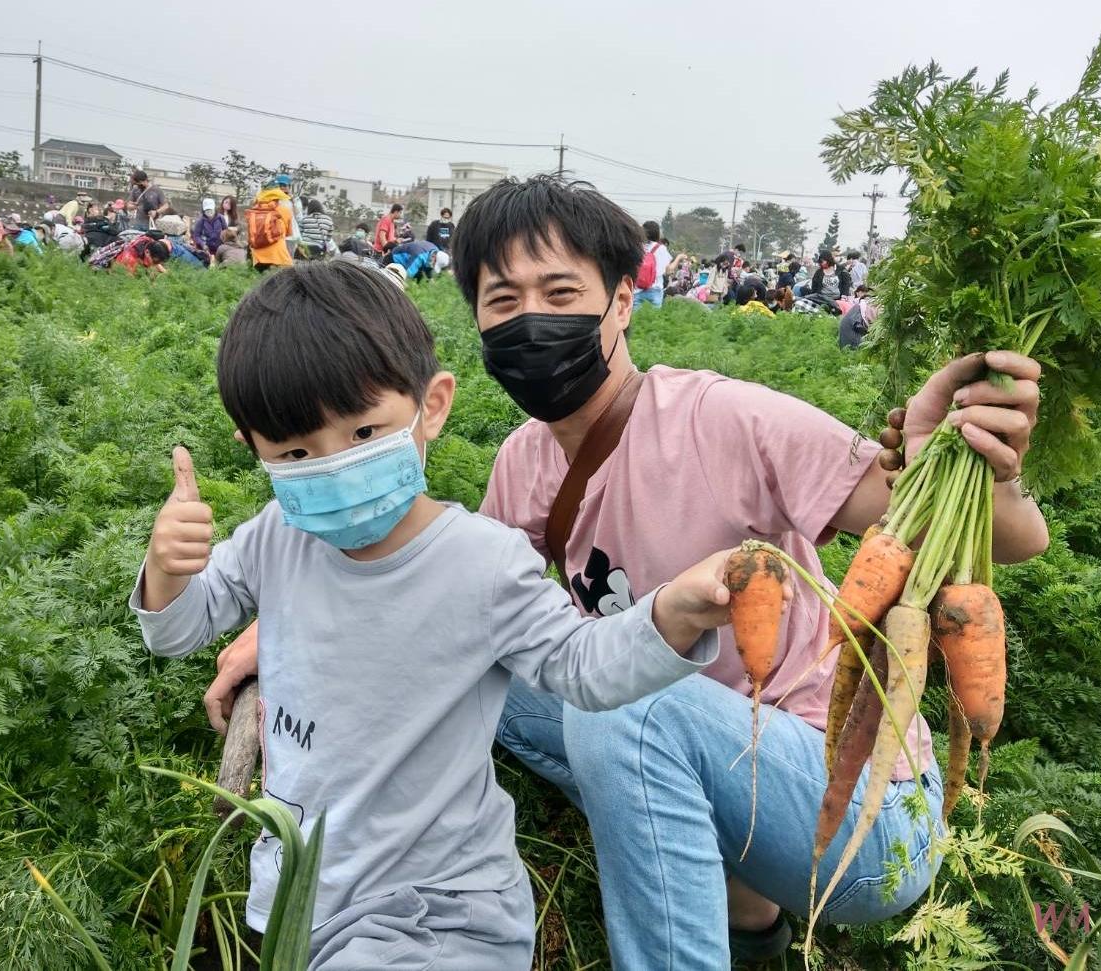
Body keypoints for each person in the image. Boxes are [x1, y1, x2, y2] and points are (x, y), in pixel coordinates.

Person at [200, 175, 1049, 969]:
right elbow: (441, 606)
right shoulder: (523, 462)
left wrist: (990, 469)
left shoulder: (725, 418)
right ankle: (741, 901)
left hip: (851, 813)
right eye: (503, 301)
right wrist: (282, 631)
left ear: (621, 302)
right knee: (468, 672)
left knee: (628, 714)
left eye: (560, 294)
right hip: (716, 763)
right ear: (478, 326)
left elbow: (1006, 539)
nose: (532, 318)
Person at [129, 259, 732, 970]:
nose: (333, 465)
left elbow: (581, 668)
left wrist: (674, 610)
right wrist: (168, 570)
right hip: (301, 894)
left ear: (432, 405)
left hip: (435, 911)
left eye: (361, 434)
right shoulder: (275, 537)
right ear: (253, 447)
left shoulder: (483, 561)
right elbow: (178, 630)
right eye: (295, 452)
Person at [245, 177, 295, 270]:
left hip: (257, 257)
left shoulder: (254, 209)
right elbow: (289, 234)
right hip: (278, 256)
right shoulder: (284, 210)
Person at [631, 220, 672, 309]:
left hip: (637, 289)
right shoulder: (661, 248)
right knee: (653, 320)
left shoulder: (637, 247)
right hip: (655, 290)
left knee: (636, 320)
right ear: (657, 233)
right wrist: (679, 257)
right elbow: (668, 270)